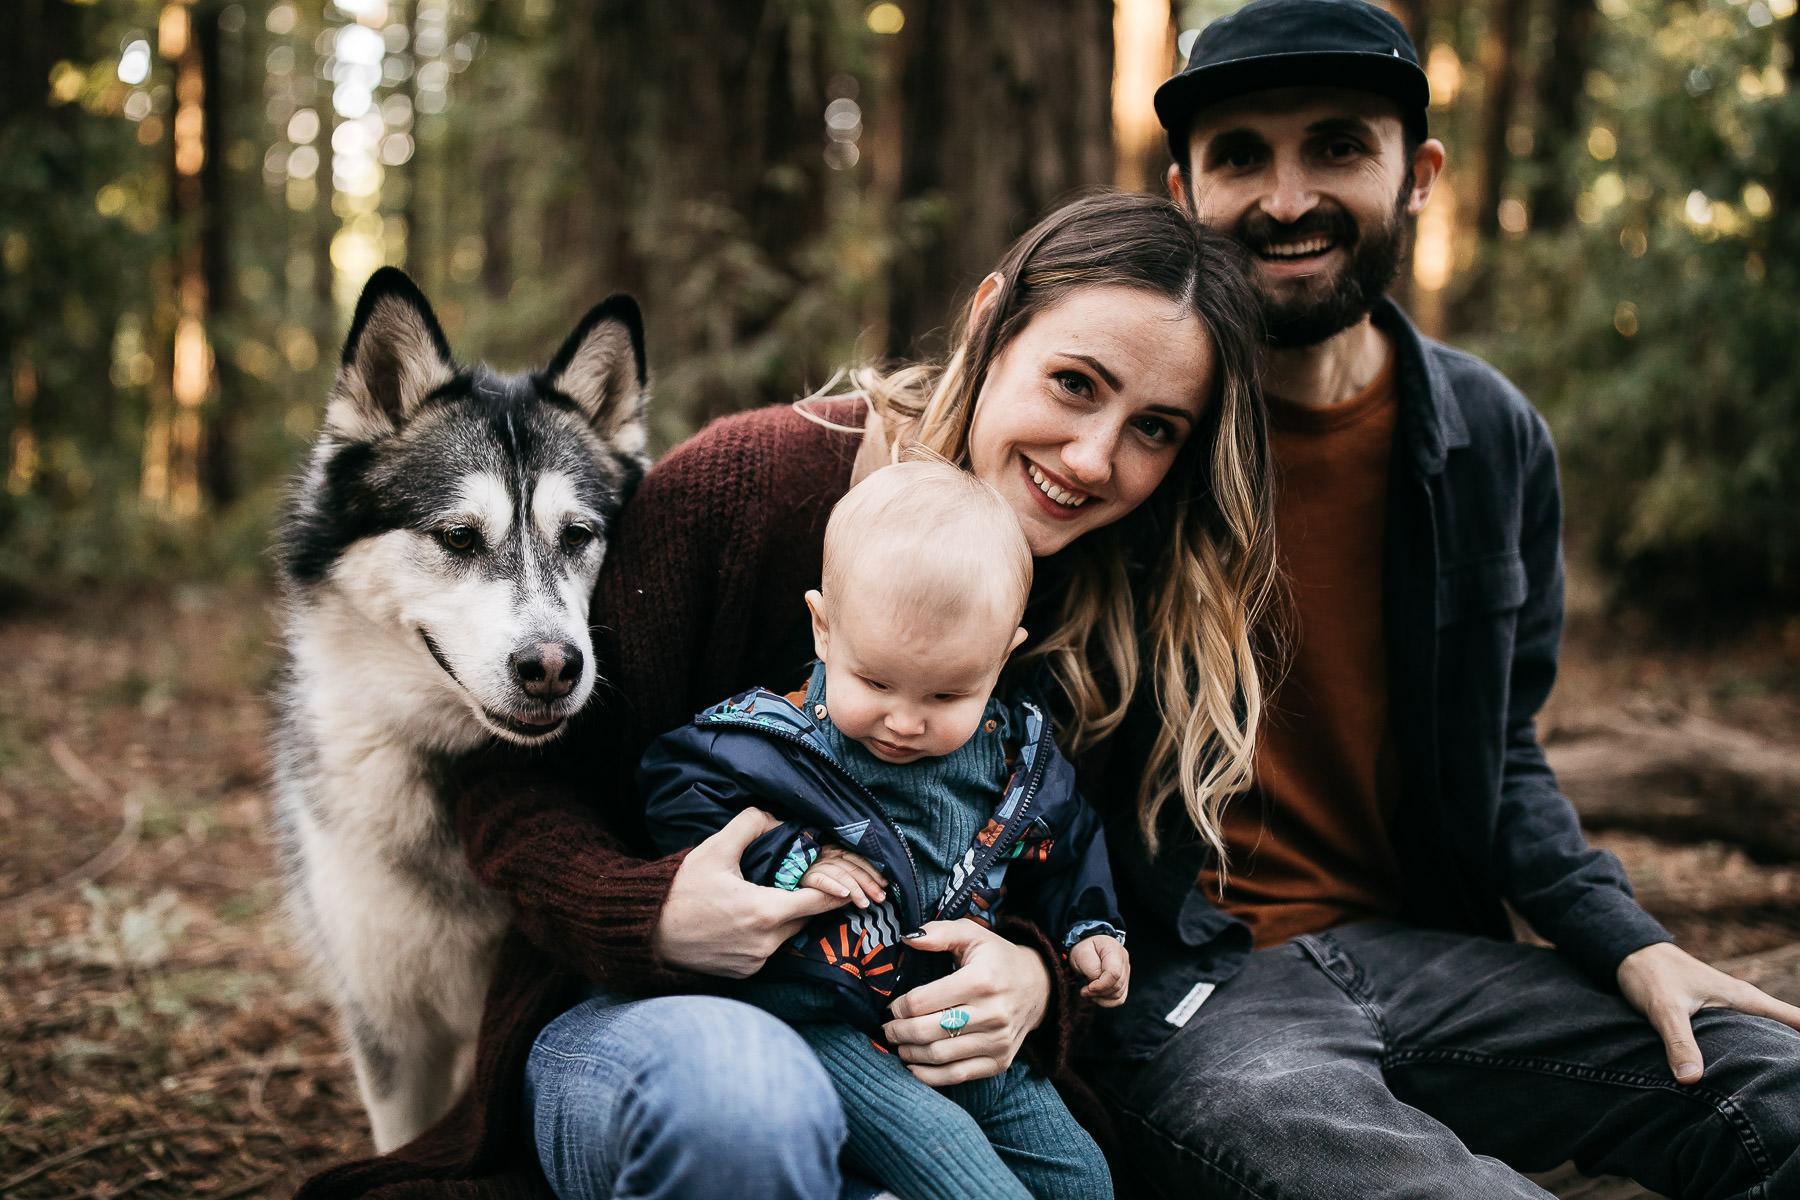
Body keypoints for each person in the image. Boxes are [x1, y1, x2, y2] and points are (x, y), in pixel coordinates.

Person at [291, 190, 1277, 1200]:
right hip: (657, 1027)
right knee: (749, 1104)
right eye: (1074, 383)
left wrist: (1038, 978)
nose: (1093, 459)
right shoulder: (746, 490)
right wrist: (655, 911)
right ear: (989, 325)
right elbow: (511, 790)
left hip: (925, 1055)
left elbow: (1092, 886)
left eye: (1153, 429)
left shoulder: (1118, 593)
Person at [1077, 2, 1800, 1198]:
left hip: (1432, 955)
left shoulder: (1489, 436)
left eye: (1337, 148)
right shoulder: (1121, 439)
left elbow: (1504, 751)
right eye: (1242, 156)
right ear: (1183, 192)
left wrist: (1633, 942)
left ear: (1417, 175)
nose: (1288, 197)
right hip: (1197, 990)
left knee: (1769, 1088)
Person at [638, 459, 1130, 1200]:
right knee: (958, 1170)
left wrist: (1090, 926)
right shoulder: (770, 740)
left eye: (946, 692)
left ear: (1002, 657)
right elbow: (675, 786)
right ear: (824, 629)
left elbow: (1069, 844)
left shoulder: (1014, 759)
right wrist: (789, 857)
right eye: (874, 683)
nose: (903, 720)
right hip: (817, 1016)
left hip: (945, 1015)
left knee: (1081, 1178)